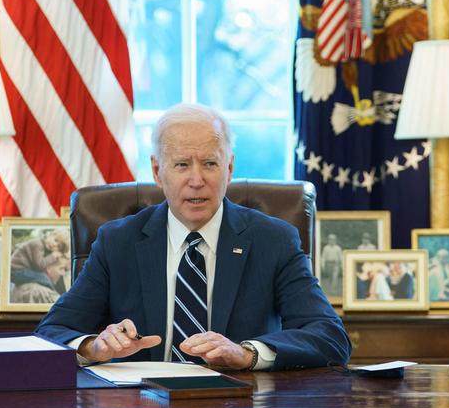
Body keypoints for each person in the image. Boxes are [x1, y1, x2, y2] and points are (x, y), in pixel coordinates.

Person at [36, 103, 351, 370]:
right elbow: (51, 332)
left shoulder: (274, 240)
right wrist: (93, 346)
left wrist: (247, 353)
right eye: (182, 165)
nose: (197, 180)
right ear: (158, 172)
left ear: (229, 168)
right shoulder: (117, 241)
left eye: (210, 164)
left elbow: (329, 336)